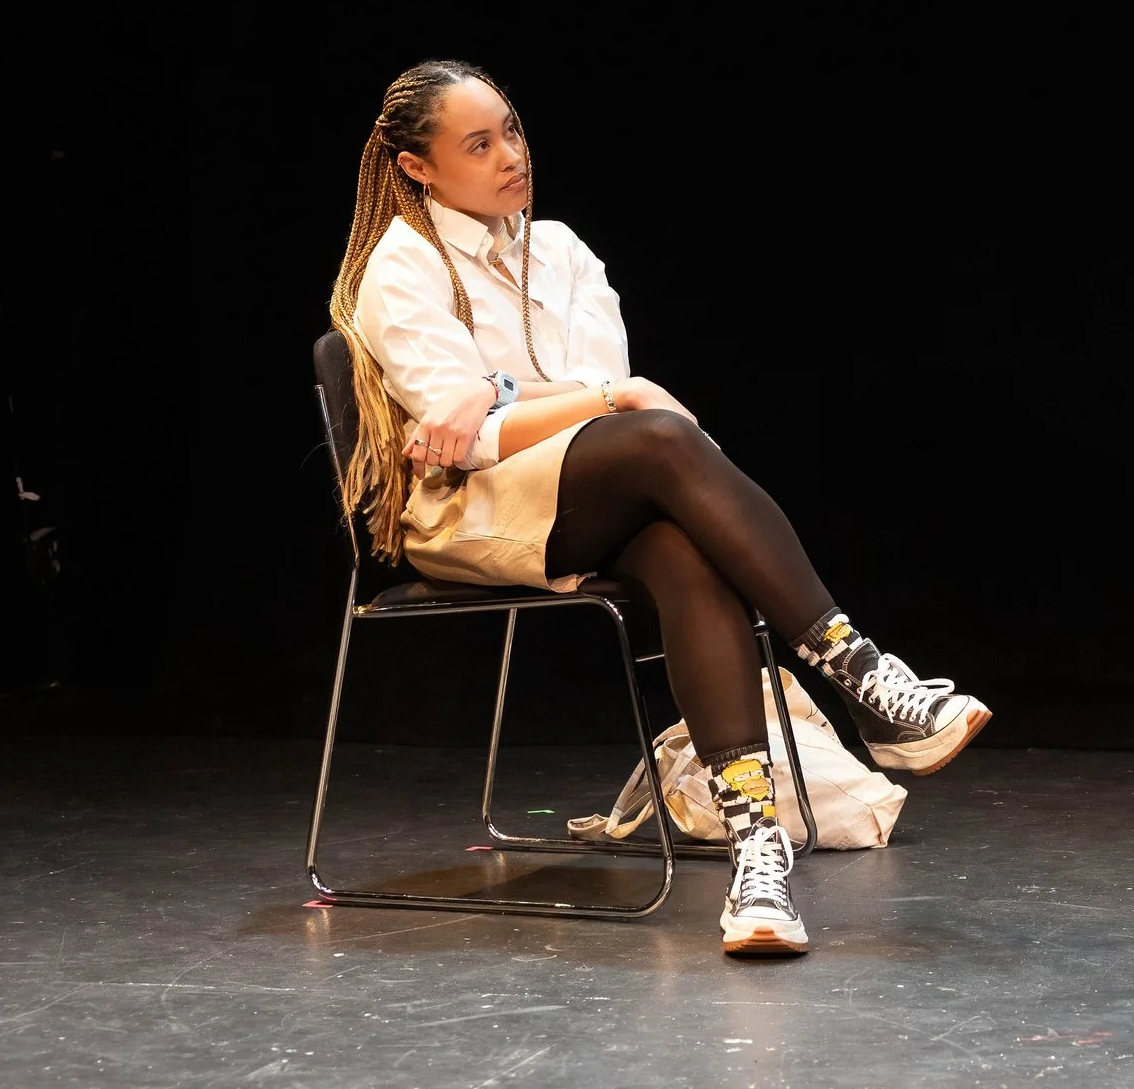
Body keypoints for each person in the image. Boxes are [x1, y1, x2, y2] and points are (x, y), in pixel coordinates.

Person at [329, 58, 991, 959]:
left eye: (511, 129)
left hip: (587, 489)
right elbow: (484, 440)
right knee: (662, 441)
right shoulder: (401, 266)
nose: (511, 155)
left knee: (681, 542)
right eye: (478, 145)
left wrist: (510, 389)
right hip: (469, 514)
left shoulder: (561, 250)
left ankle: (757, 858)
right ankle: (861, 674)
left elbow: (588, 398)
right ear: (419, 167)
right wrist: (592, 397)